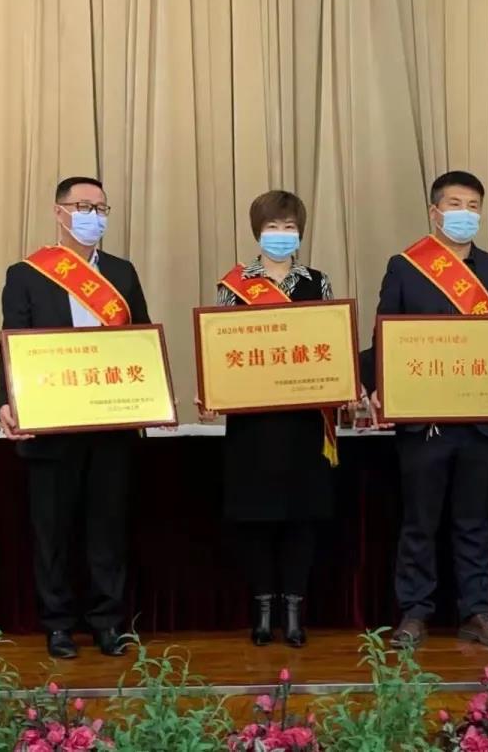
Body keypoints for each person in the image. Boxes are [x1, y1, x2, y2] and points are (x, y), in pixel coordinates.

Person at [360, 170, 488, 649]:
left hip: (480, 423)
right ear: (434, 212)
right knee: (420, 523)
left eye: (473, 206)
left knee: (474, 523)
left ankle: (477, 611)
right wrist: (378, 385)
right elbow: (384, 336)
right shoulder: (406, 267)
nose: (464, 213)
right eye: (454, 204)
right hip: (423, 422)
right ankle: (414, 613)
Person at [0, 176, 150, 659]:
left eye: (101, 208)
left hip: (110, 425)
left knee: (108, 528)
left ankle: (108, 622)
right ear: (59, 212)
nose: (93, 216)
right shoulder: (27, 274)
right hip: (52, 424)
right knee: (53, 532)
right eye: (83, 206)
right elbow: (11, 342)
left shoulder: (122, 273)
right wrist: (7, 400)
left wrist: (151, 399)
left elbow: (141, 340)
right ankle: (58, 624)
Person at [200, 191, 337, 649]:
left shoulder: (317, 282)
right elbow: (220, 348)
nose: (281, 235)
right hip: (253, 425)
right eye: (272, 227)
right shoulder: (234, 286)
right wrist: (212, 391)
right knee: (255, 517)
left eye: (289, 227)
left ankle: (294, 611)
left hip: (303, 422)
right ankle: (262, 610)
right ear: (257, 232)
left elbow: (331, 344)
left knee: (302, 517)